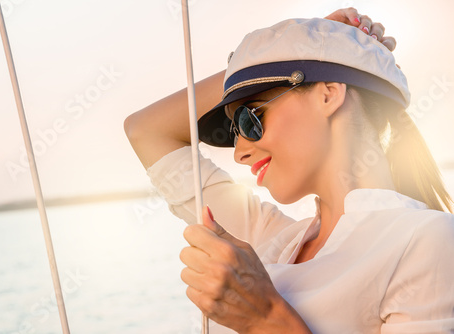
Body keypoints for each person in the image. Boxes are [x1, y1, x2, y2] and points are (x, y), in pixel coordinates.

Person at [124, 8, 454, 334]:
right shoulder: (268, 240)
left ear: (328, 94)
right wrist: (305, 42)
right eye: (232, 132)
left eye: (249, 119)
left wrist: (265, 319)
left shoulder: (426, 239)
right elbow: (146, 130)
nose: (239, 153)